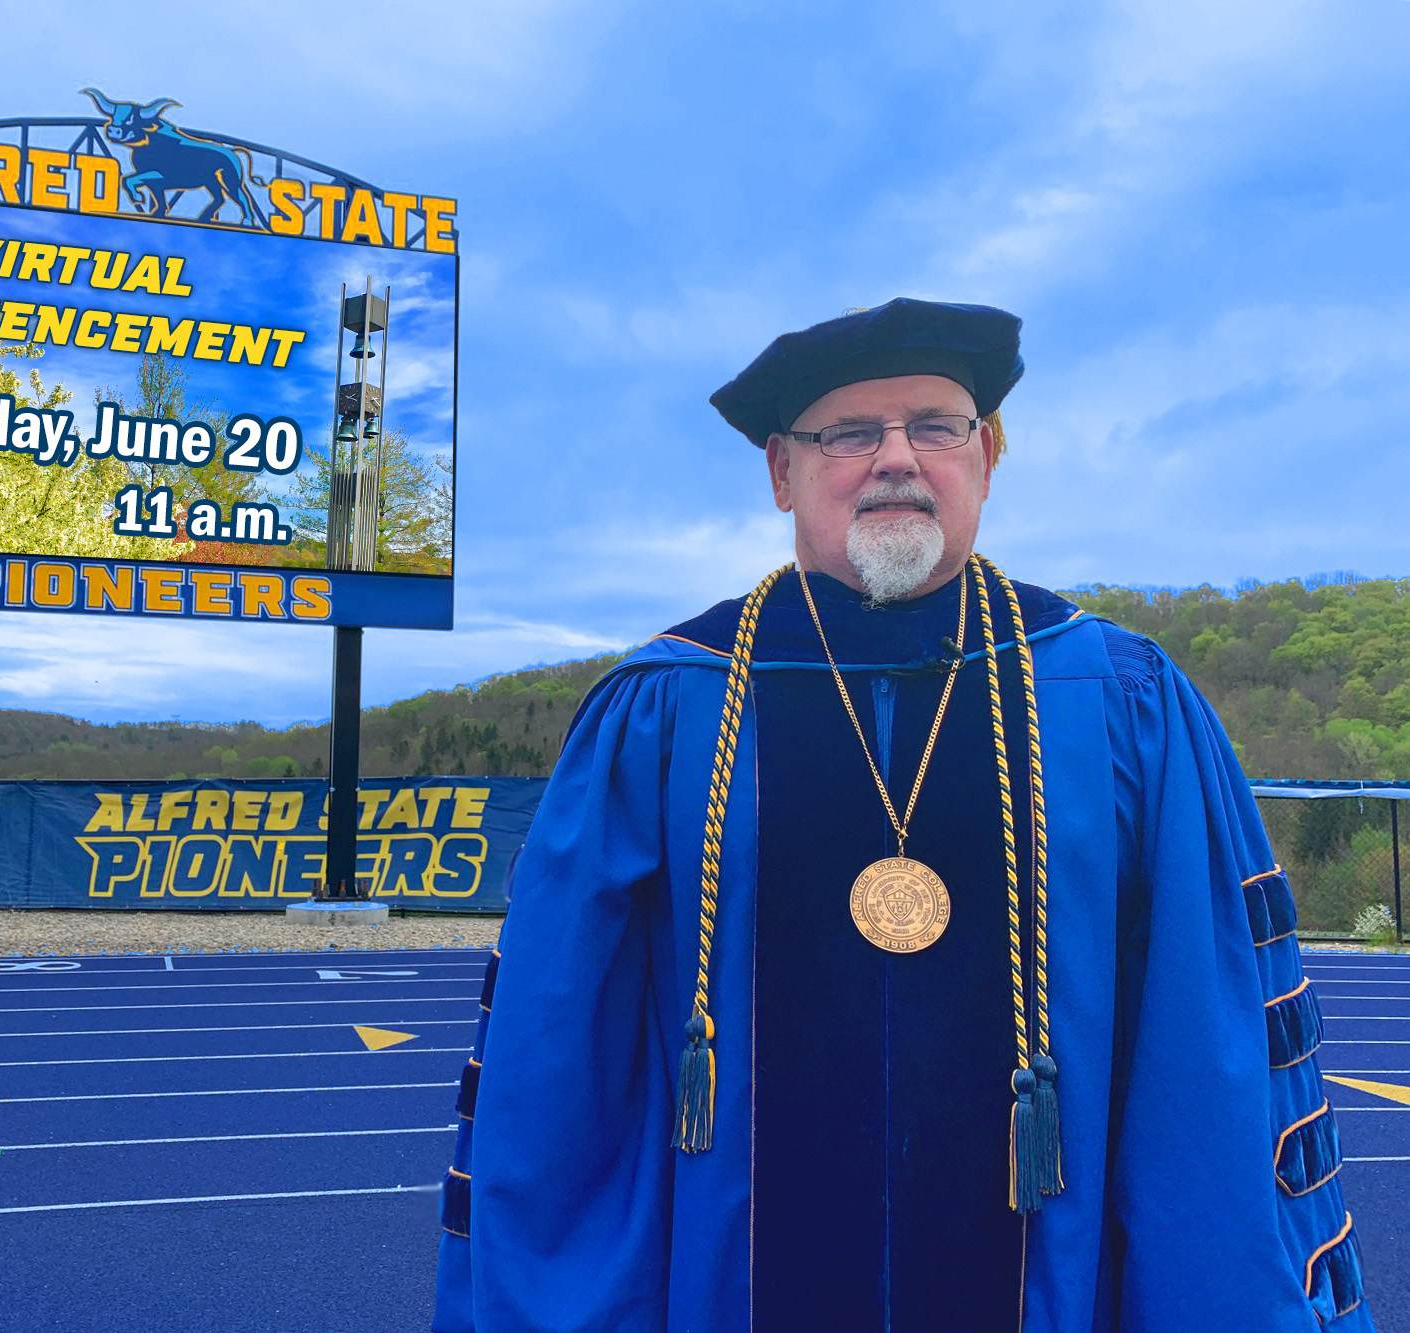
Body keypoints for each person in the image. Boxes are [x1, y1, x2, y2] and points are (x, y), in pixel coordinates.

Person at [431, 298, 1371, 1331]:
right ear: (781, 471)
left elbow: (1211, 1049)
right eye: (848, 433)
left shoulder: (1118, 699)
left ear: (986, 454)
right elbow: (557, 1060)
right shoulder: (665, 706)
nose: (895, 458)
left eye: (935, 424)